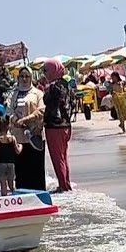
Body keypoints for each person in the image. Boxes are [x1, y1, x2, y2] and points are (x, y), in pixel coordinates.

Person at [7, 66, 47, 191]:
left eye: (27, 76)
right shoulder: (13, 94)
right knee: (20, 168)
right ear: (18, 78)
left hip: (34, 135)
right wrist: (15, 120)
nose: (24, 79)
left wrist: (26, 119)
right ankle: (22, 194)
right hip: (18, 136)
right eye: (22, 76)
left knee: (36, 168)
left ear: (31, 78)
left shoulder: (38, 93)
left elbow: (41, 111)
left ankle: (38, 194)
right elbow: (8, 110)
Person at [42, 59, 74, 192]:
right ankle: (66, 183)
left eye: (45, 70)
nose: (44, 74)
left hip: (55, 126)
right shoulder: (66, 85)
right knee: (63, 157)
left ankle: (63, 186)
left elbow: (51, 105)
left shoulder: (54, 87)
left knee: (57, 157)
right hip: (66, 125)